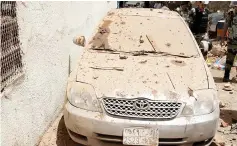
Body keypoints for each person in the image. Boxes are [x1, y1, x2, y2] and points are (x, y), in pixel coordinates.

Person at [221, 1, 237, 82]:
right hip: (232, 41)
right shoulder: (231, 13)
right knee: (229, 59)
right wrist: (222, 37)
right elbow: (226, 25)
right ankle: (226, 76)